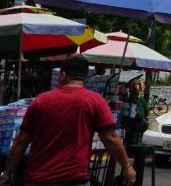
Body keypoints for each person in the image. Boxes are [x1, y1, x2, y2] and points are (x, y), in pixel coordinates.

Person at [1, 55, 136, 186]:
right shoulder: (95, 101)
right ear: (85, 77)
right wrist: (127, 166)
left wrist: (6, 173)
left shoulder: (40, 101)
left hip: (38, 178)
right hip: (74, 179)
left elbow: (21, 140)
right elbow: (110, 138)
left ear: (63, 75)